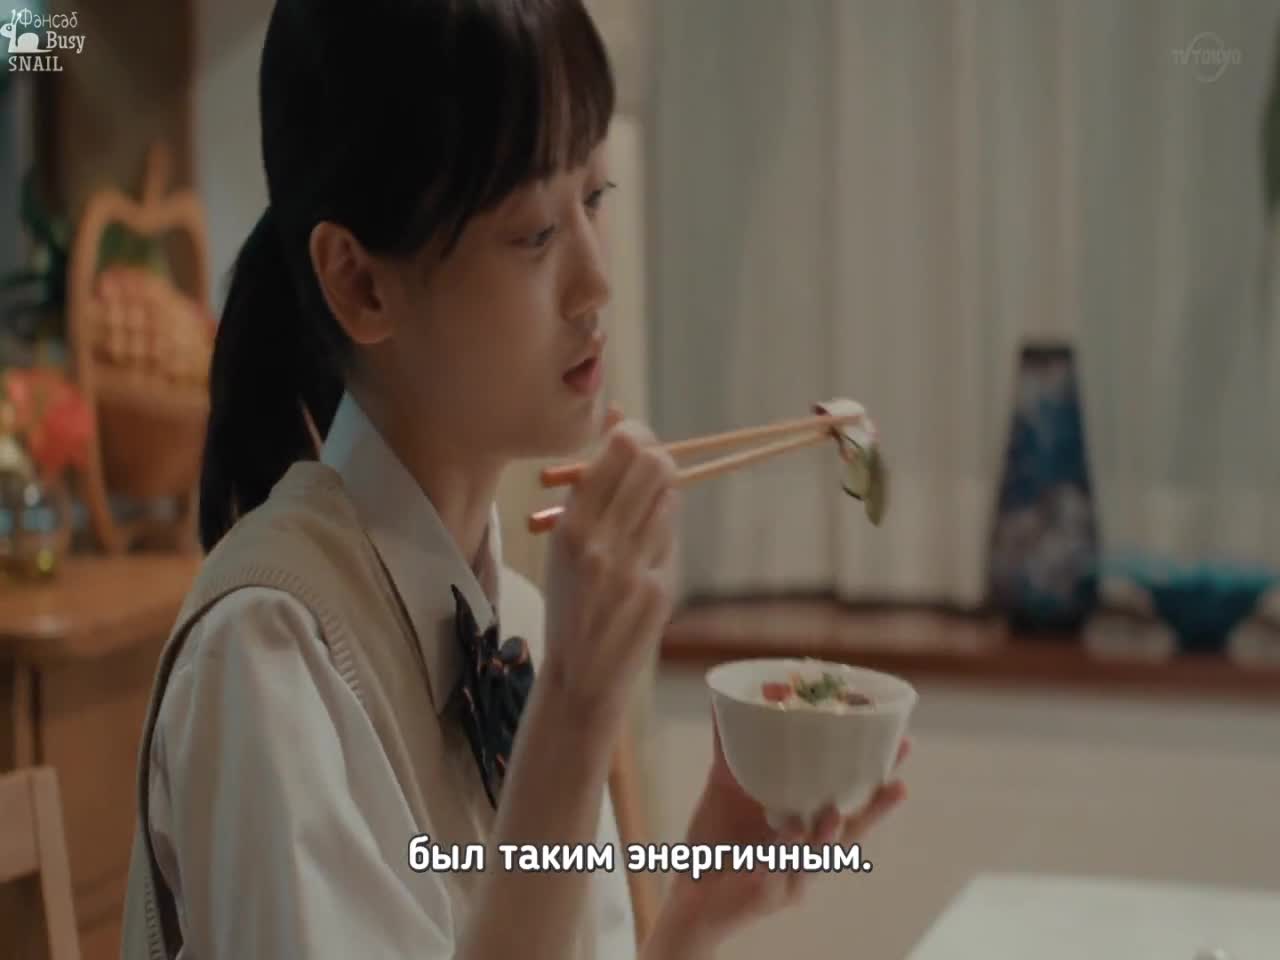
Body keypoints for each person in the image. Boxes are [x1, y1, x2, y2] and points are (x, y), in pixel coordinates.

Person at [119, 1, 910, 957]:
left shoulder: (518, 625)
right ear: (362, 283)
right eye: (535, 233)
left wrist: (693, 918)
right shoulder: (268, 656)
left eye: (595, 197)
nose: (595, 282)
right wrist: (574, 707)